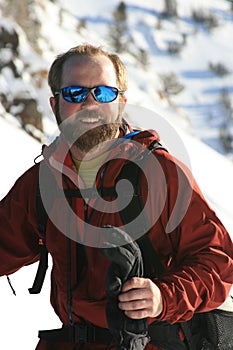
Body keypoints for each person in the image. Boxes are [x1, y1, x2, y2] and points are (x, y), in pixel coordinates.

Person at [0, 43, 233, 350]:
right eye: (74, 93)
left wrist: (163, 297)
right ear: (55, 104)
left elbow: (218, 261)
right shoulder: (43, 182)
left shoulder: (159, 173)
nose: (90, 103)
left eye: (104, 93)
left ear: (121, 102)